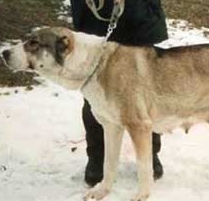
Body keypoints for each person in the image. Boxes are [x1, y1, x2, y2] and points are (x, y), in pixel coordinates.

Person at [70, 0, 168, 187]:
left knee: (147, 93)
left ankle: (150, 153)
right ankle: (97, 157)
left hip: (137, 17)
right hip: (95, 18)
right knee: (96, 91)